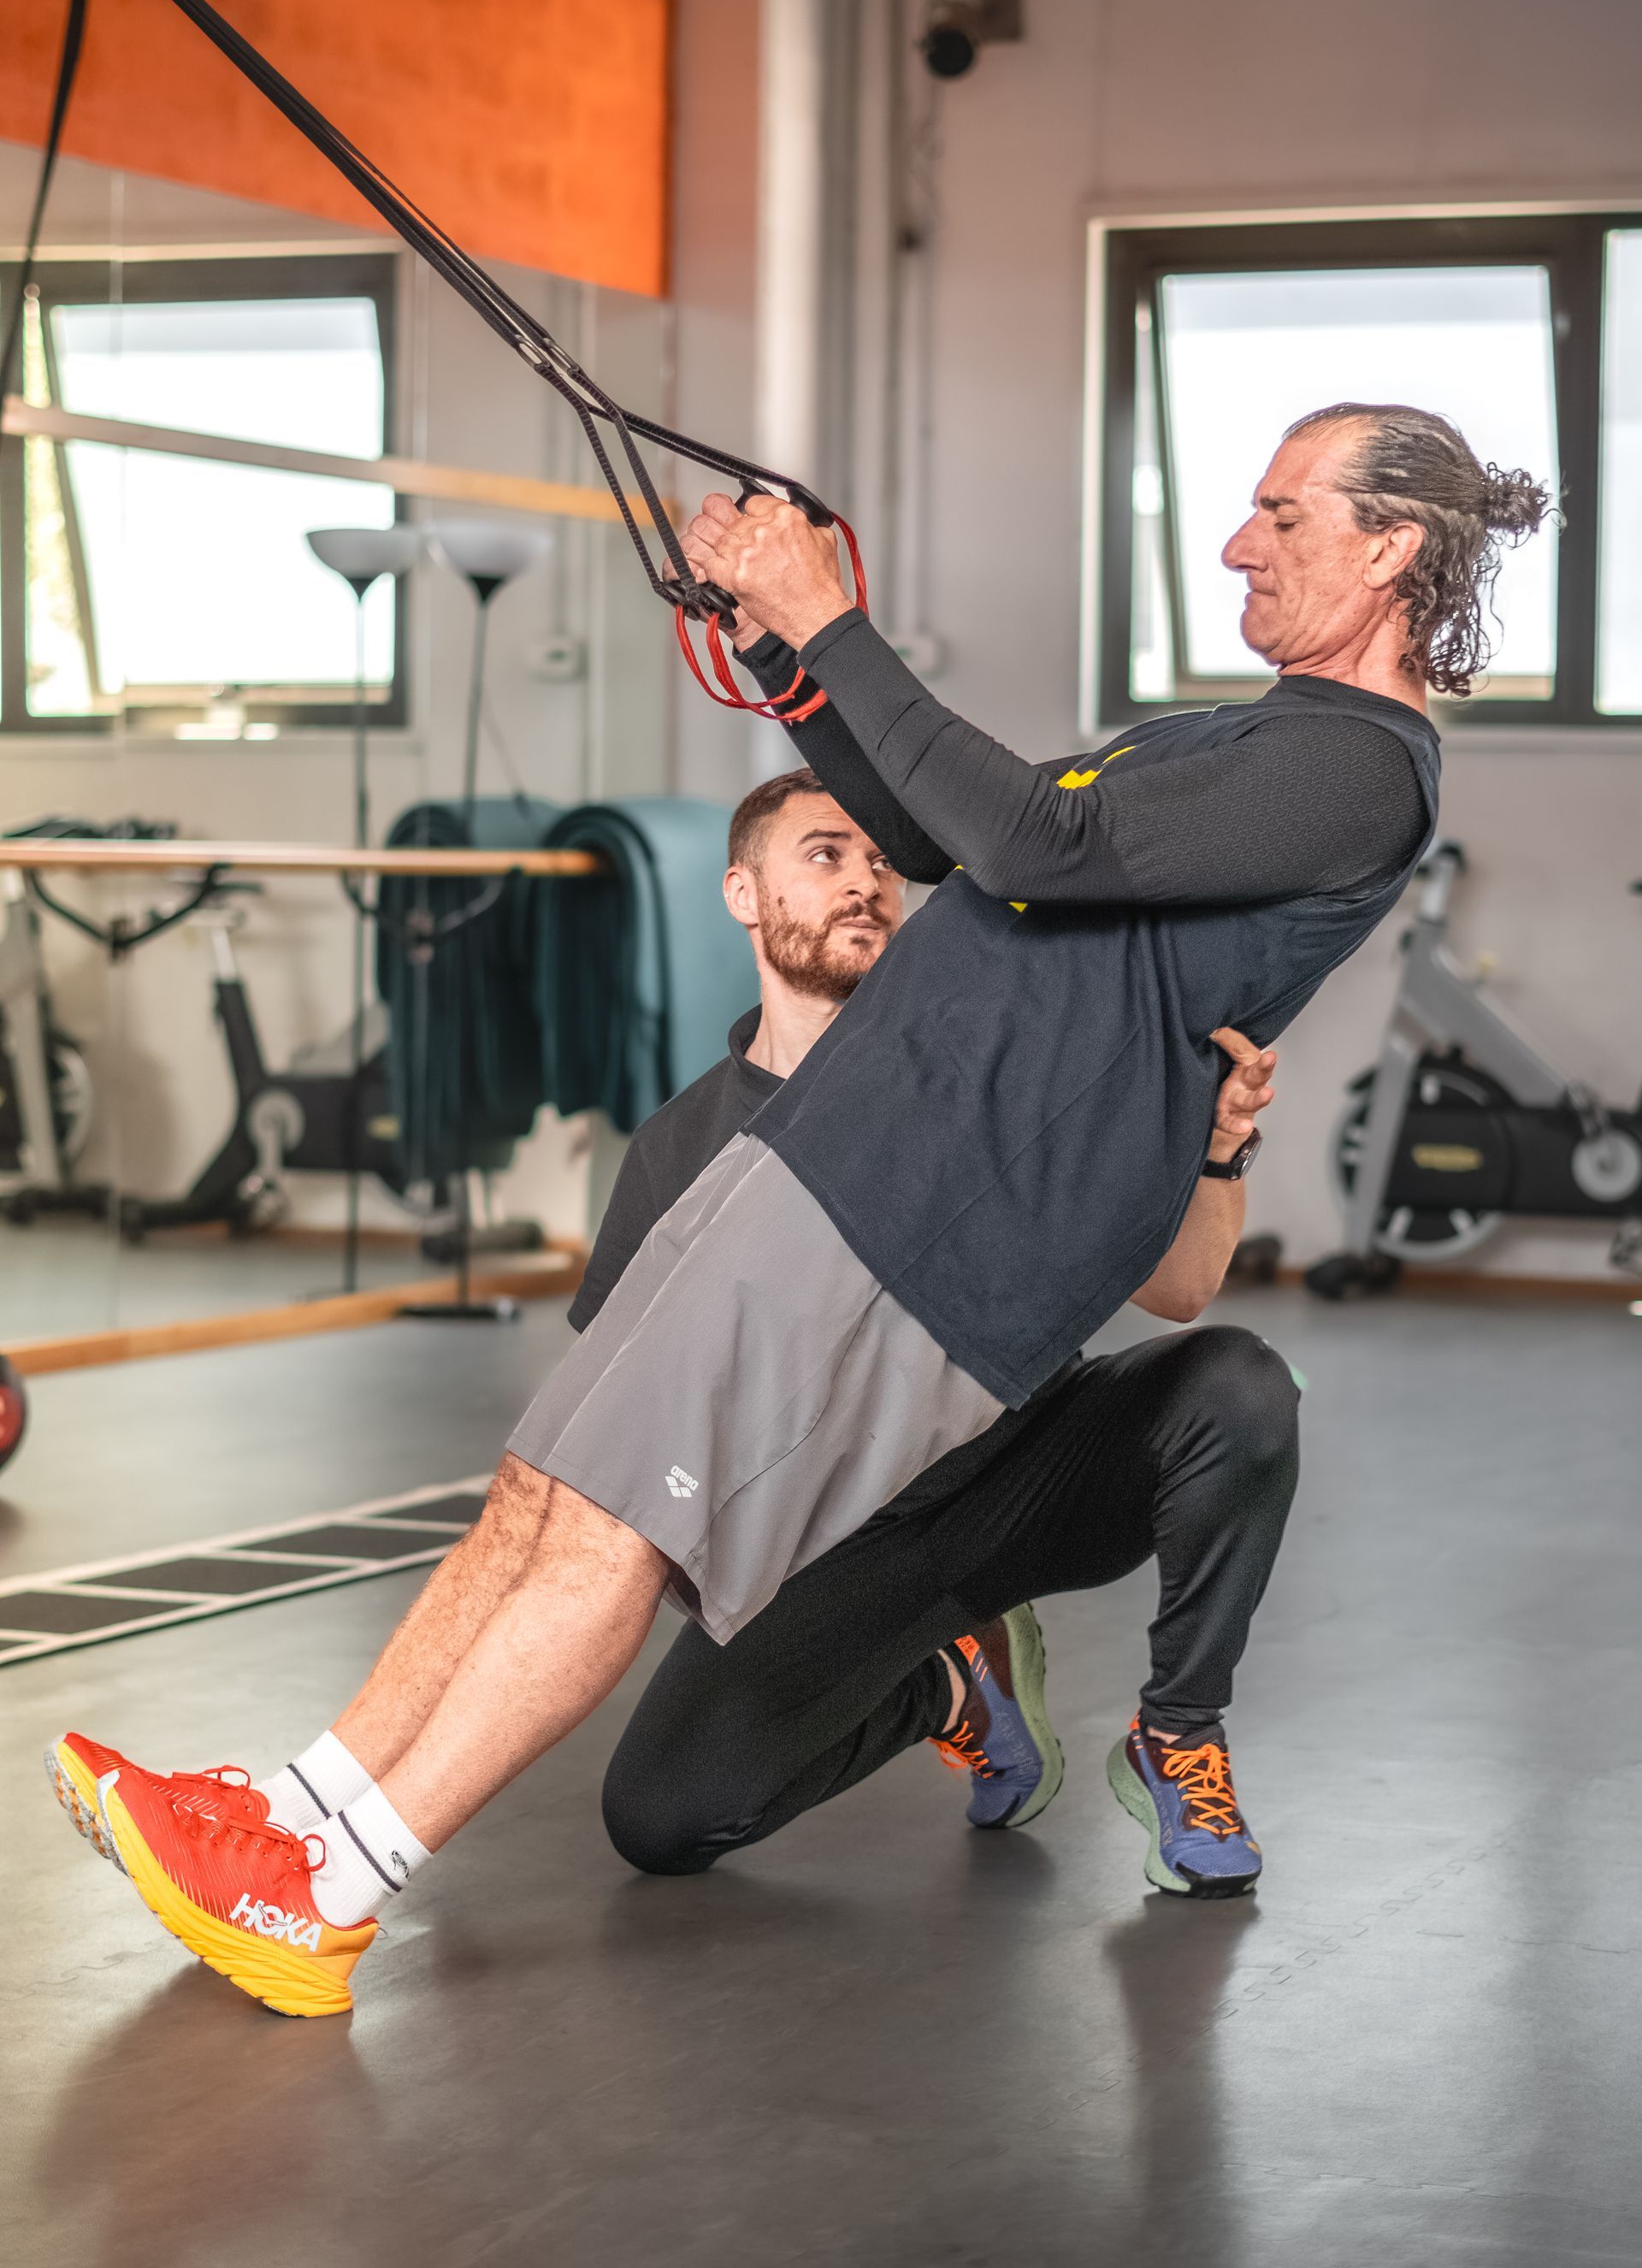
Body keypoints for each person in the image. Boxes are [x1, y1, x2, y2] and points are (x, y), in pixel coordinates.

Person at [50, 402, 1547, 2018]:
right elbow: (938, 831)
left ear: (1393, 544)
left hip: (938, 1216)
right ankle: (296, 1814)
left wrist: (833, 609)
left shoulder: (1355, 770)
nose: (1242, 540)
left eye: (1281, 512)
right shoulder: (1231, 739)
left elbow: (1033, 840)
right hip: (844, 1152)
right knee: (550, 1491)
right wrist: (785, 648)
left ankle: (332, 1895)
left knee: (624, 1525)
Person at [580, 768, 1294, 1892]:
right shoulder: (680, 1151)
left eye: (882, 864)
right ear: (741, 893)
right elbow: (619, 1422)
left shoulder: (997, 1082)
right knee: (657, 1820)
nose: (865, 882)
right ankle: (946, 1688)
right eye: (825, 854)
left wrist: (1217, 1145)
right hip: (843, 1554)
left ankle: (1179, 1732)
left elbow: (1186, 1288)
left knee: (1240, 1385)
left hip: (1025, 1471)